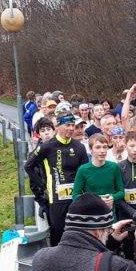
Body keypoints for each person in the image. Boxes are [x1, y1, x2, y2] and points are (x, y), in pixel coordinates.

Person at [24, 105, 89, 245]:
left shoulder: (80, 147)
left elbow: (85, 173)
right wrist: (43, 186)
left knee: (78, 237)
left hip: (76, 198)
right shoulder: (47, 146)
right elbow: (28, 166)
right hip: (56, 200)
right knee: (59, 238)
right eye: (68, 125)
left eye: (73, 125)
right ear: (58, 126)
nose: (71, 128)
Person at [73, 133, 126, 211]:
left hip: (110, 214)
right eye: (98, 147)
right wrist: (97, 200)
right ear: (91, 150)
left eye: (105, 147)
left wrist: (112, 197)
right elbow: (75, 196)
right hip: (91, 214)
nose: (102, 151)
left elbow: (121, 192)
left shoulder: (114, 167)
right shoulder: (83, 169)